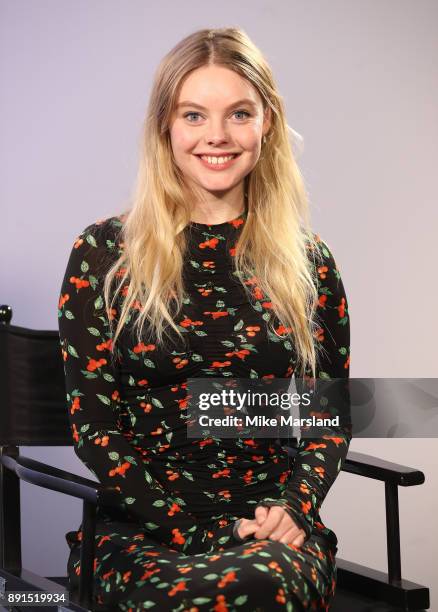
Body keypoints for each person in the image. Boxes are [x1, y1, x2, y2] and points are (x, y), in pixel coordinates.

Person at [58, 27, 351, 612]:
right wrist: (196, 533)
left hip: (269, 531)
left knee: (256, 586)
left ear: (265, 123)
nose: (217, 136)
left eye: (238, 113)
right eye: (194, 115)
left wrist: (294, 509)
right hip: (141, 529)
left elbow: (329, 414)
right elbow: (94, 428)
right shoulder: (103, 254)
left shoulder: (308, 261)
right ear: (165, 126)